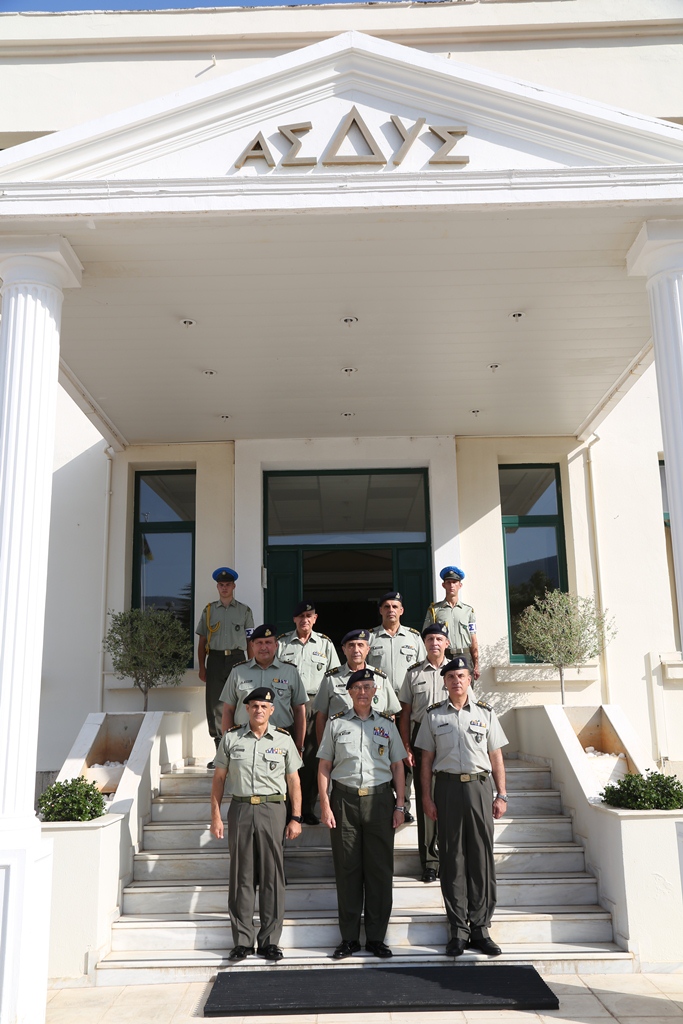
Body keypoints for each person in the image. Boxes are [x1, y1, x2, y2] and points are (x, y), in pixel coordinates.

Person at [415, 656, 508, 957]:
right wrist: (426, 797)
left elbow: (496, 756)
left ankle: (480, 928)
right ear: (444, 682)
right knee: (452, 858)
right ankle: (458, 929)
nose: (456, 681)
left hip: (480, 788)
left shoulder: (486, 713)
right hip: (447, 788)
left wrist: (502, 794)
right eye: (451, 676)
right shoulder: (433, 716)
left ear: (470, 679)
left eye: (461, 676)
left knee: (481, 858)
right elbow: (426, 761)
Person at [317, 668, 407, 960]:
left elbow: (397, 766)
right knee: (347, 870)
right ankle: (350, 939)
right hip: (344, 800)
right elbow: (324, 766)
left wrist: (400, 805)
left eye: (368, 687)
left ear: (375, 691)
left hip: (380, 800)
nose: (363, 692)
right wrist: (325, 804)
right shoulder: (336, 724)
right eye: (358, 687)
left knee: (380, 871)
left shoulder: (387, 725)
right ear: (350, 692)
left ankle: (377, 938)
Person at [210, 686, 303, 962]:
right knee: (242, 876)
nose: (259, 710)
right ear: (247, 709)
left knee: (273, 876)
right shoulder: (231, 738)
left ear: (272, 710)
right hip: (240, 808)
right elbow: (219, 779)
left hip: (273, 808)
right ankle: (242, 941)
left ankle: (270, 941)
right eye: (254, 706)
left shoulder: (283, 739)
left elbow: (294, 781)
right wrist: (215, 815)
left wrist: (296, 817)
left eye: (264, 706)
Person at [278, 600, 340, 824]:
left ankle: (307, 808)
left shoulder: (325, 644)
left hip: (315, 705)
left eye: (309, 616)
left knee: (313, 757)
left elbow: (334, 676)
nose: (305, 620)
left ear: (315, 619)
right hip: (286, 703)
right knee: (285, 756)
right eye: (301, 616)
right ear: (294, 619)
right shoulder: (282, 643)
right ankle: (286, 809)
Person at [367, 591, 426, 823]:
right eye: (386, 606)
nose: (391, 610)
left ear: (401, 611)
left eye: (395, 606)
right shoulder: (370, 638)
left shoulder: (414, 637)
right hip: (379, 707)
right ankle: (381, 803)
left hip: (407, 706)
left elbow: (423, 669)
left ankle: (405, 805)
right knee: (379, 753)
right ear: (380, 610)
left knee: (405, 756)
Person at [398, 622, 450, 882]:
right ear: (424, 644)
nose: (434, 643)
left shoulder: (457, 671)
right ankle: (430, 861)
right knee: (425, 797)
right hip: (421, 735)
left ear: (447, 643)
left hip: (450, 734)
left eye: (439, 639)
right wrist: (406, 745)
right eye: (430, 639)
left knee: (450, 798)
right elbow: (405, 713)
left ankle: (450, 858)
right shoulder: (413, 673)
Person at [196, 566, 254, 765]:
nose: (224, 588)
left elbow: (250, 641)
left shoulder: (244, 611)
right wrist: (202, 667)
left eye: (228, 584)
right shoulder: (209, 611)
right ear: (217, 587)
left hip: (237, 659)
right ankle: (220, 752)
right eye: (221, 585)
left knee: (240, 702)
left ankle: (239, 750)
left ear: (233, 586)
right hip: (215, 660)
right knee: (215, 705)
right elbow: (202, 641)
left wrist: (251, 665)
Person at [220, 624, 307, 755]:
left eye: (268, 642)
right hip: (243, 739)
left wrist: (299, 746)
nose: (264, 647)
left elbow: (299, 710)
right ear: (252, 645)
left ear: (276, 645)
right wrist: (226, 745)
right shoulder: (238, 671)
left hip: (280, 740)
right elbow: (228, 710)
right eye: (259, 643)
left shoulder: (290, 671)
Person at [313, 629, 400, 745]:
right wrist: (323, 748)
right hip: (342, 746)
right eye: (351, 645)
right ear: (344, 650)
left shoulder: (380, 678)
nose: (356, 650)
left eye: (360, 645)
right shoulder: (331, 679)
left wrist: (390, 746)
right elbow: (321, 716)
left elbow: (390, 715)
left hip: (375, 746)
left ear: (368, 649)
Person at [423, 566, 479, 680]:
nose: (451, 585)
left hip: (464, 656)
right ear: (443, 585)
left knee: (465, 688)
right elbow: (426, 637)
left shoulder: (468, 611)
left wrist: (476, 664)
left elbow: (473, 639)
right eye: (448, 582)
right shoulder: (434, 610)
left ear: (460, 585)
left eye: (454, 582)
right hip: (443, 656)